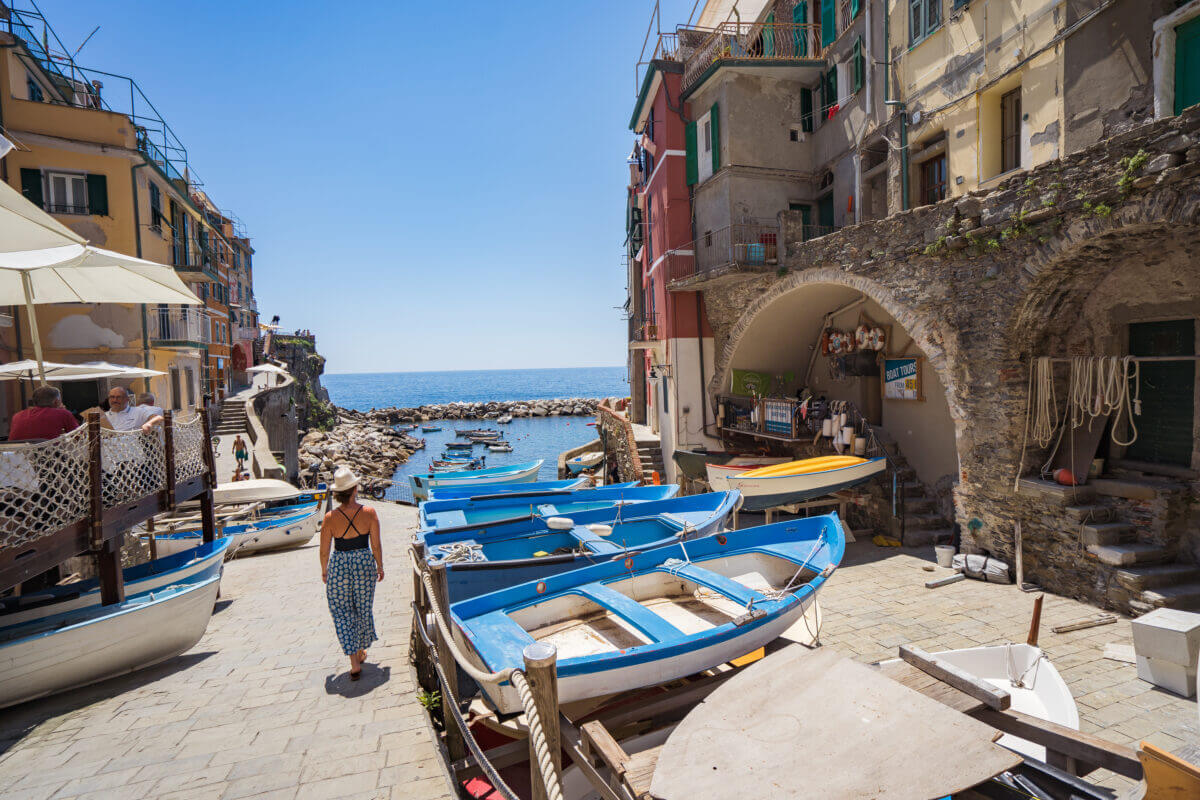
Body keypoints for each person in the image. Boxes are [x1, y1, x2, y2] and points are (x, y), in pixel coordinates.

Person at [319, 466, 383, 680]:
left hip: (339, 565)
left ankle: (354, 660)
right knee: (363, 607)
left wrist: (324, 570)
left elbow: (324, 550)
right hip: (364, 562)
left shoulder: (329, 518)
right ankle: (361, 648)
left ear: (337, 493)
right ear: (355, 489)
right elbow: (376, 545)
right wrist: (380, 566)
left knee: (341, 611)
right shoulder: (369, 513)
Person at [9, 386, 80, 441]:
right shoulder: (62, 413)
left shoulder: (17, 415)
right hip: (46, 457)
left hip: (15, 457)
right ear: (56, 401)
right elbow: (79, 436)